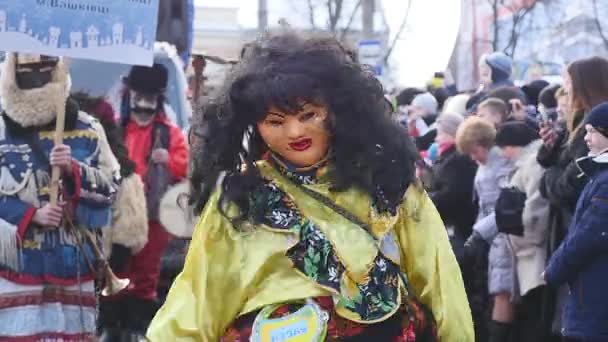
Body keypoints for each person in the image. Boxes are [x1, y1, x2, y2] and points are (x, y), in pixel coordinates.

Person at [147, 32, 473, 341]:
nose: (294, 132)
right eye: (275, 121)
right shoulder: (242, 196)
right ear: (255, 126)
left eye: (308, 114)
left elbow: (439, 280)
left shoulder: (387, 182)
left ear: (336, 109)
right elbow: (199, 299)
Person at [0, 53, 118, 340]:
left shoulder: (88, 129)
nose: (37, 76)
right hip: (15, 270)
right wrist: (28, 215)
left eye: (45, 69)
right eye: (29, 70)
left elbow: (112, 190)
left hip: (72, 271)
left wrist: (72, 170)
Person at [102, 63, 189, 338]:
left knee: (146, 275)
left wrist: (170, 161)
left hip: (153, 216)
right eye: (139, 99)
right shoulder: (116, 128)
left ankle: (138, 329)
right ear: (130, 97)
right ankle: (111, 327)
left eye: (149, 100)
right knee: (115, 267)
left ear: (157, 101)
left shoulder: (170, 132)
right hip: (119, 215)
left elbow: (187, 167)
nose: (143, 106)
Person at [537, 56, 608, 339]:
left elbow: (564, 186)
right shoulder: (580, 131)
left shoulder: (591, 136)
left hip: (579, 244)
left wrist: (556, 268)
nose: (563, 96)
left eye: (567, 87)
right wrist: (550, 150)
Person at [456, 116, 515, 342]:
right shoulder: (486, 164)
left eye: (474, 151)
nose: (473, 158)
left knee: (502, 290)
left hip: (502, 236)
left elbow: (505, 203)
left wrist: (479, 232)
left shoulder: (499, 162)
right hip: (490, 234)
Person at [494, 122, 551, 342]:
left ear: (509, 146)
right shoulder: (530, 161)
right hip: (528, 253)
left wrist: (521, 240)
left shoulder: (534, 163)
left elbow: (536, 208)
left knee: (535, 320)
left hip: (534, 254)